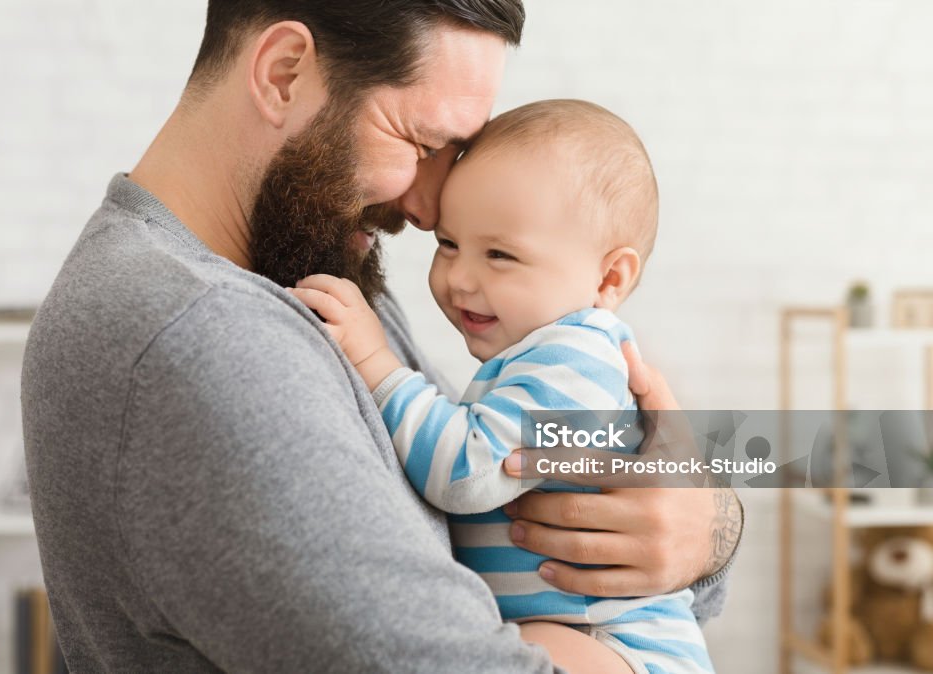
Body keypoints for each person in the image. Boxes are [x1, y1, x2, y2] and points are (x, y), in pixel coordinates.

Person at [20, 2, 742, 672]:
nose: (429, 208)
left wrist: (707, 528)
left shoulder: (308, 270)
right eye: (423, 142)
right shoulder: (201, 333)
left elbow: (490, 481)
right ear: (284, 74)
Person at [291, 99, 714, 674]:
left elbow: (468, 471)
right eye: (448, 244)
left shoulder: (576, 359)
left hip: (618, 646)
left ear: (609, 278)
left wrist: (375, 363)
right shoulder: (536, 357)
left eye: (499, 254)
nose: (460, 277)